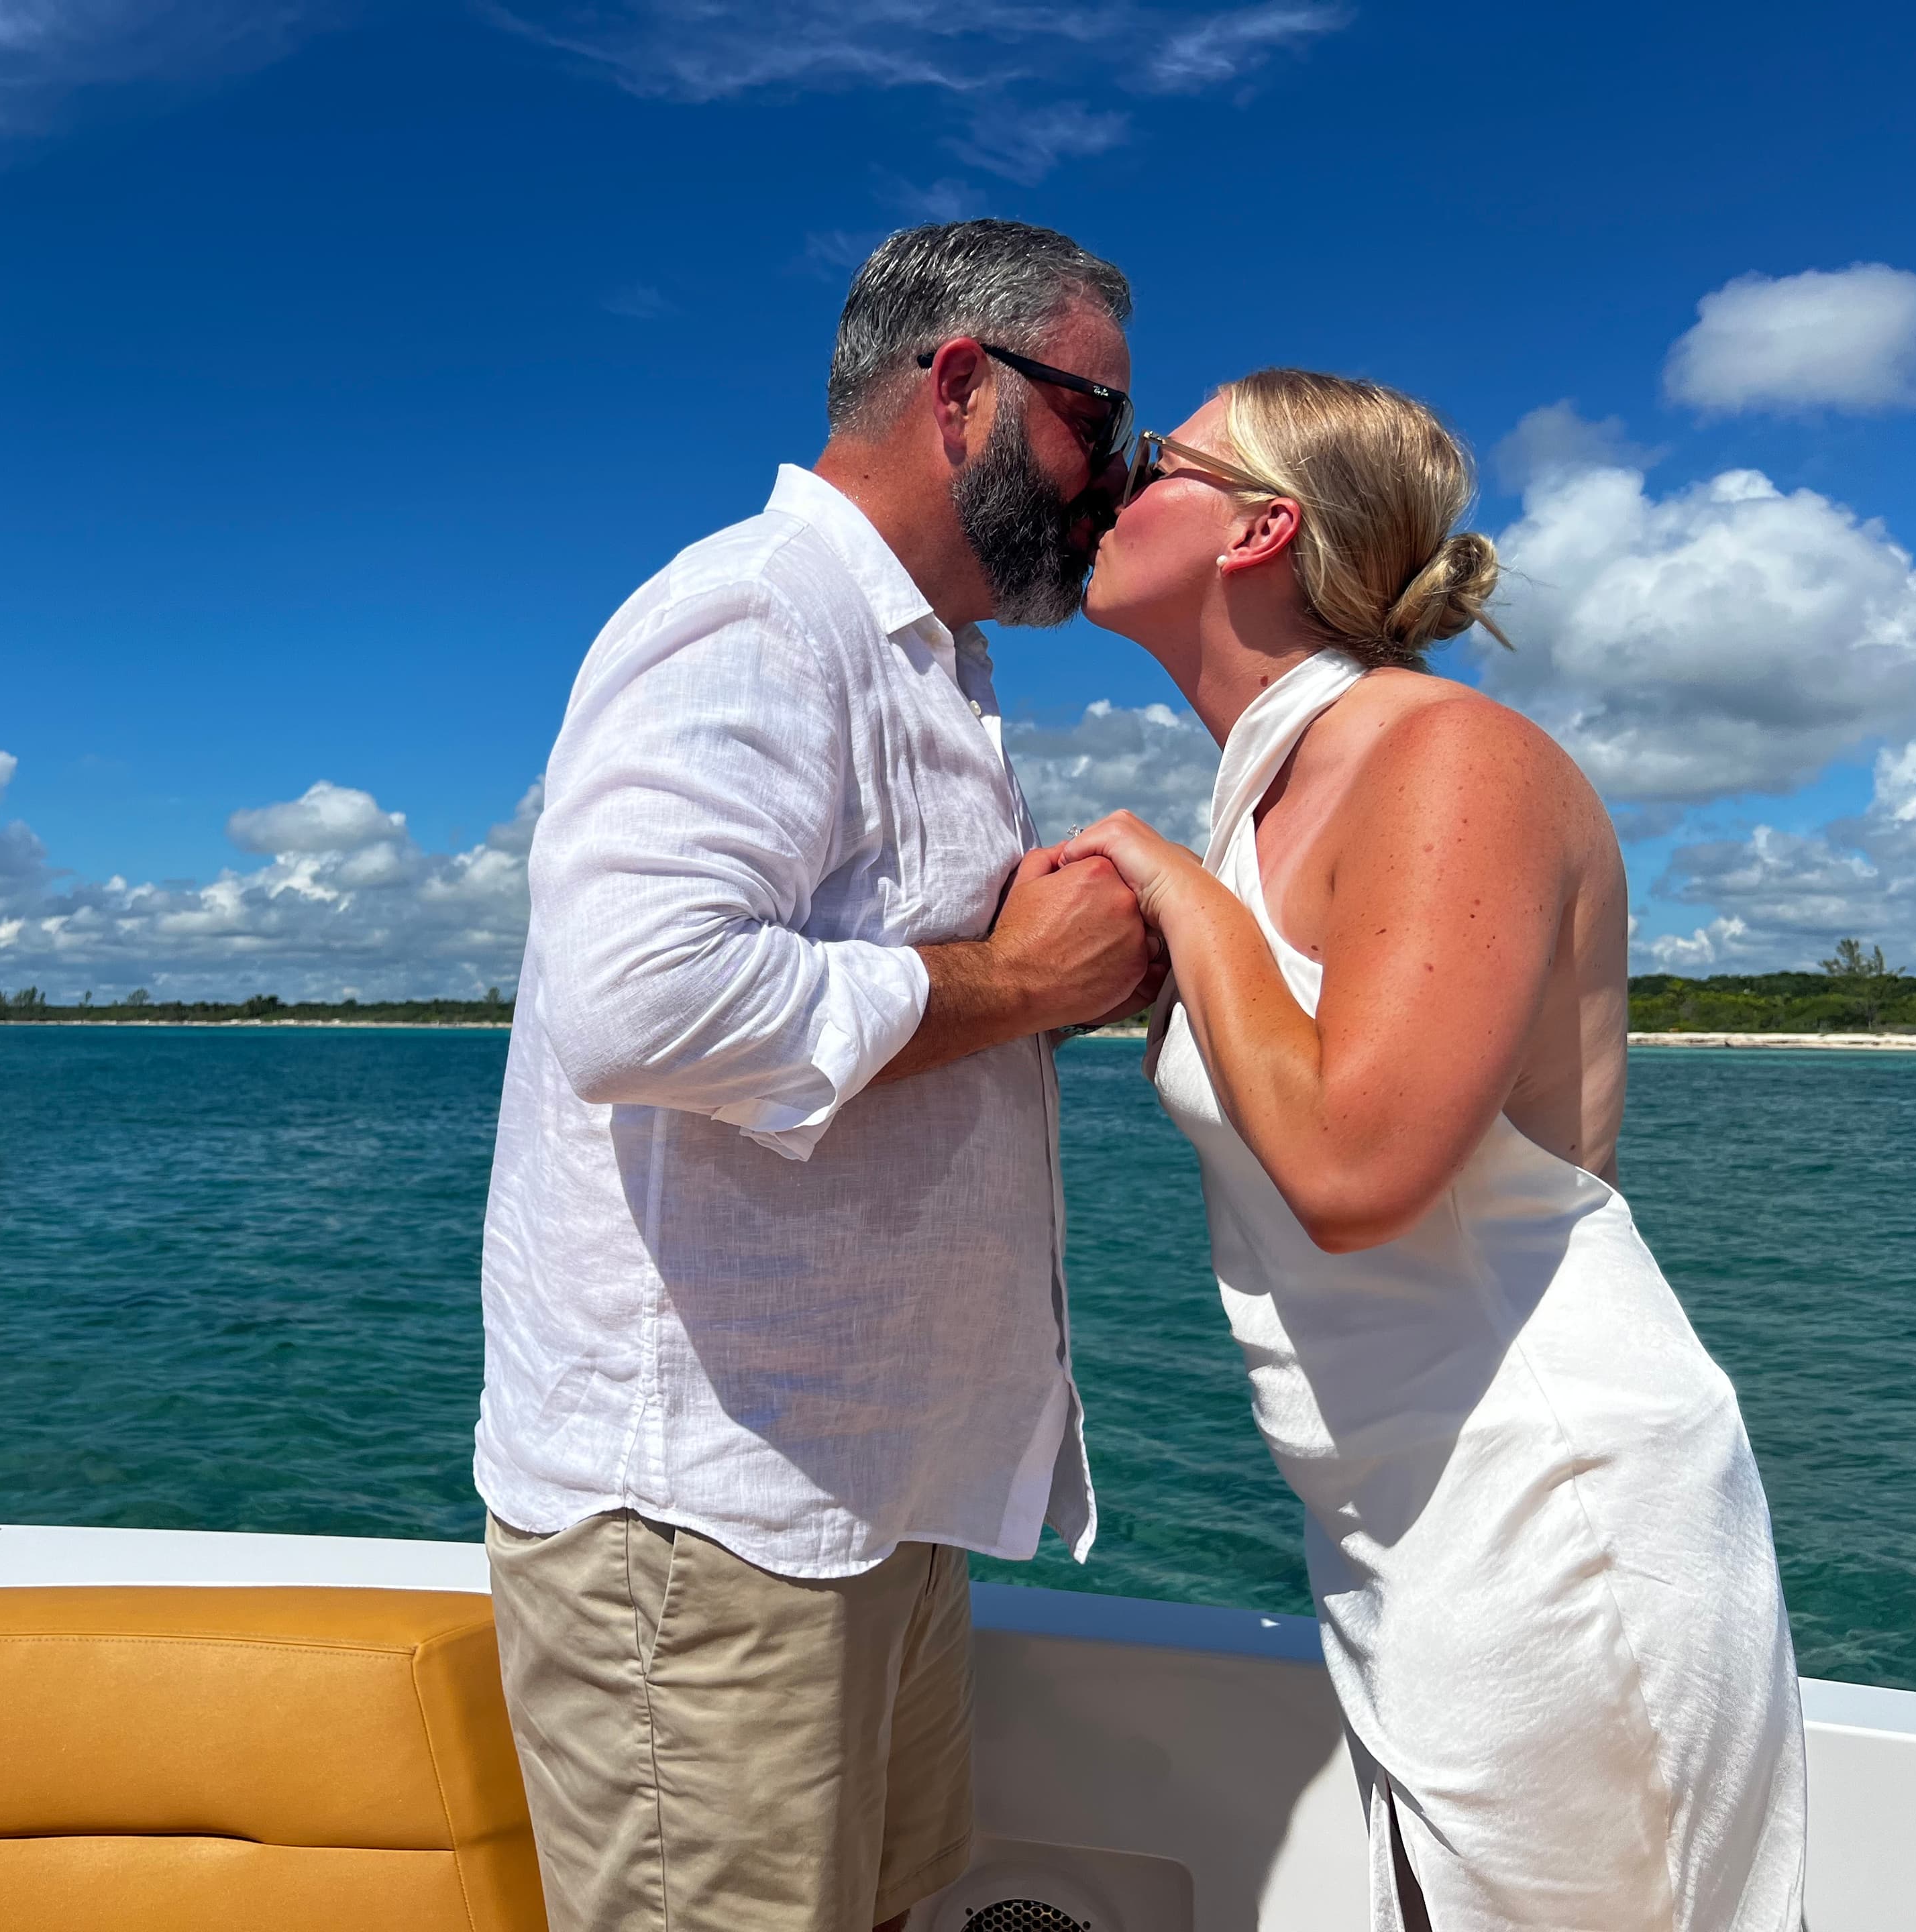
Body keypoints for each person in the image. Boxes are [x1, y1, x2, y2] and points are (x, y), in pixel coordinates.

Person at [474, 220, 1162, 1932]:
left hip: (860, 1494)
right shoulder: (759, 613)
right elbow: (637, 1003)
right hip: (712, 1526)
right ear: (963, 388)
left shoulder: (936, 664)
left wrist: (1045, 981)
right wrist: (1016, 982)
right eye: (1101, 423)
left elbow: (905, 1002)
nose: (1121, 481)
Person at [1063, 369, 1809, 1931]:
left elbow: (1355, 1168)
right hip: (1399, 1512)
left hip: (1550, 1499)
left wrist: (1169, 891)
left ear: (1258, 527)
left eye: (1150, 461)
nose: (1106, 482)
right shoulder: (1272, 790)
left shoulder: (1443, 757)